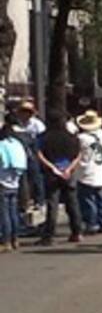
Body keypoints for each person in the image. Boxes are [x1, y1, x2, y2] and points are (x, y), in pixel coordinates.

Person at [36, 111, 83, 245]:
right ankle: (77, 232)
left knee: (52, 203)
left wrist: (51, 167)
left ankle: (49, 235)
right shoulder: (72, 137)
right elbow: (78, 154)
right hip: (68, 171)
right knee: (72, 202)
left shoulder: (44, 137)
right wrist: (69, 169)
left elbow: (39, 154)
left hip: (52, 173)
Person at [75, 110, 102, 234]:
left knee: (87, 199)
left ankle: (91, 224)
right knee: (100, 198)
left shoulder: (81, 138)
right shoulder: (101, 135)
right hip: (99, 169)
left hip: (86, 171)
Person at [0, 118, 28, 252]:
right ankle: (15, 239)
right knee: (13, 212)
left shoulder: (2, 145)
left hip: (2, 182)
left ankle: (6, 241)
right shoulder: (17, 144)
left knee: (4, 213)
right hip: (15, 182)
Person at [15, 100, 46, 209]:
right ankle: (25, 200)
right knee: (23, 178)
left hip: (34, 152)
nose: (25, 114)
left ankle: (40, 200)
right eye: (23, 111)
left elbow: (42, 140)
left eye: (27, 111)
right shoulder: (17, 123)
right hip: (20, 152)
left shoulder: (37, 124)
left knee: (36, 175)